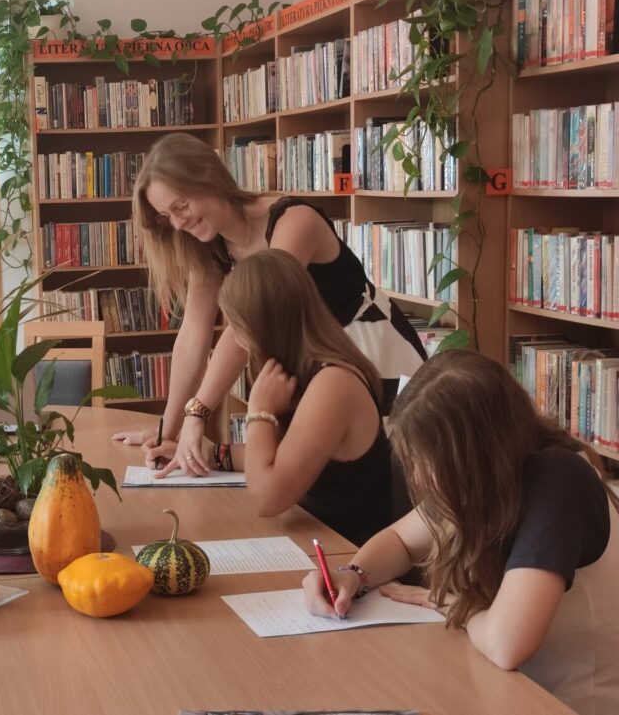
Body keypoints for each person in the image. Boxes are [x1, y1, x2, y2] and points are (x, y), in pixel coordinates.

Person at [302, 350, 619, 715]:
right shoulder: (491, 475)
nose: (417, 478)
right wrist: (353, 575)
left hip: (568, 703)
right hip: (507, 687)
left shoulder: (561, 481)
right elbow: (401, 541)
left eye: (425, 463)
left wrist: (452, 605)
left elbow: (506, 644)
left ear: (472, 456)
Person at [110, 133, 426, 476]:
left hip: (373, 355)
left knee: (392, 475)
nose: (177, 223)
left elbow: (248, 327)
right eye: (166, 215)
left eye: (180, 206)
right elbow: (193, 336)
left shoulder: (293, 221)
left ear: (208, 178)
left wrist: (196, 414)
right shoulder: (211, 246)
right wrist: (165, 436)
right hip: (322, 365)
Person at [212, 249, 396, 546]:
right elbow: (283, 456)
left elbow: (267, 499)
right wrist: (205, 456)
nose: (233, 336)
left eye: (235, 324)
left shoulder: (333, 383)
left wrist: (259, 412)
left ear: (260, 325)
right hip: (315, 541)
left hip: (346, 558)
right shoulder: (307, 370)